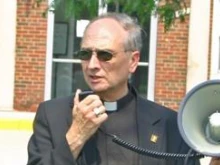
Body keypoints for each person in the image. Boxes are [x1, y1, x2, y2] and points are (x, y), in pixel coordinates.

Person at [27, 12, 204, 165]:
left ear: (133, 61)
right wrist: (75, 137)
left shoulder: (169, 124)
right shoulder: (52, 115)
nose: (92, 65)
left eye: (105, 55)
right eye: (85, 54)